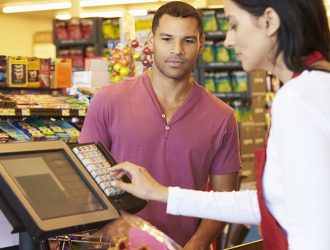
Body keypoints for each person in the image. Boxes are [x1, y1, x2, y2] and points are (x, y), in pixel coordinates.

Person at [108, 0, 330, 249]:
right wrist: (160, 192)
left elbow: (315, 228)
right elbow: (273, 202)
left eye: (234, 25)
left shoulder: (299, 97)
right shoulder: (316, 87)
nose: (228, 41)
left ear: (270, 21)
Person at [79, 1, 241, 248]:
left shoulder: (222, 116)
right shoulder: (108, 101)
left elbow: (224, 201)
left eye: (188, 40)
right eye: (167, 39)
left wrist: (195, 245)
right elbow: (86, 184)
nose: (177, 50)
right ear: (150, 40)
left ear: (201, 44)